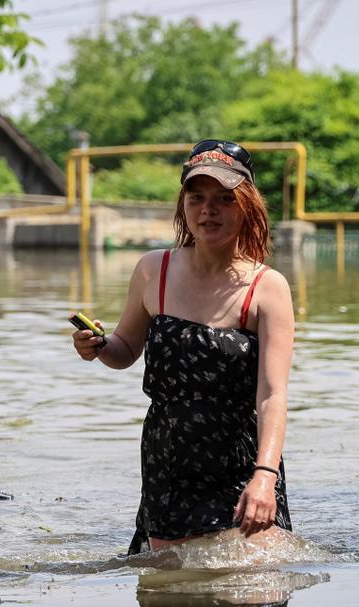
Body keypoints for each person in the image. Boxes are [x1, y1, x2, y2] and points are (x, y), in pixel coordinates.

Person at [72, 140, 295, 554]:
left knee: (259, 600)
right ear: (183, 205)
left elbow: (272, 394)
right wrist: (99, 345)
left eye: (223, 200)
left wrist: (265, 475)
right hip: (169, 459)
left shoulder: (268, 287)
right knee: (171, 597)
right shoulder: (151, 271)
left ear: (246, 206)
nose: (208, 210)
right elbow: (124, 349)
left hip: (242, 459)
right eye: (197, 198)